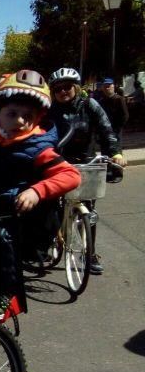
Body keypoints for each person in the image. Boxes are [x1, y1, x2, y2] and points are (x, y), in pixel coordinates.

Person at [0, 70, 80, 320]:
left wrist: (37, 191)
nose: (20, 121)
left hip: (18, 215)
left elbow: (71, 176)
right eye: (12, 114)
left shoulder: (38, 147)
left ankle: (7, 296)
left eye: (28, 116)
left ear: (37, 119)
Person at [45, 67, 126, 274]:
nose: (63, 92)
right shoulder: (49, 111)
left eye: (67, 87)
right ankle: (50, 240)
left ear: (76, 87)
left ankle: (89, 253)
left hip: (85, 162)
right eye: (58, 89)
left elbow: (107, 130)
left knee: (88, 211)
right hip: (57, 163)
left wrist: (115, 152)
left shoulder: (90, 105)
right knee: (50, 206)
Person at [97, 78, 128, 145]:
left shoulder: (119, 99)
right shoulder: (101, 101)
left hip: (115, 129)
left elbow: (125, 115)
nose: (107, 88)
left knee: (116, 150)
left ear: (113, 87)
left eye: (108, 86)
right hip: (104, 130)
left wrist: (118, 127)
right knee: (105, 151)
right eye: (105, 87)